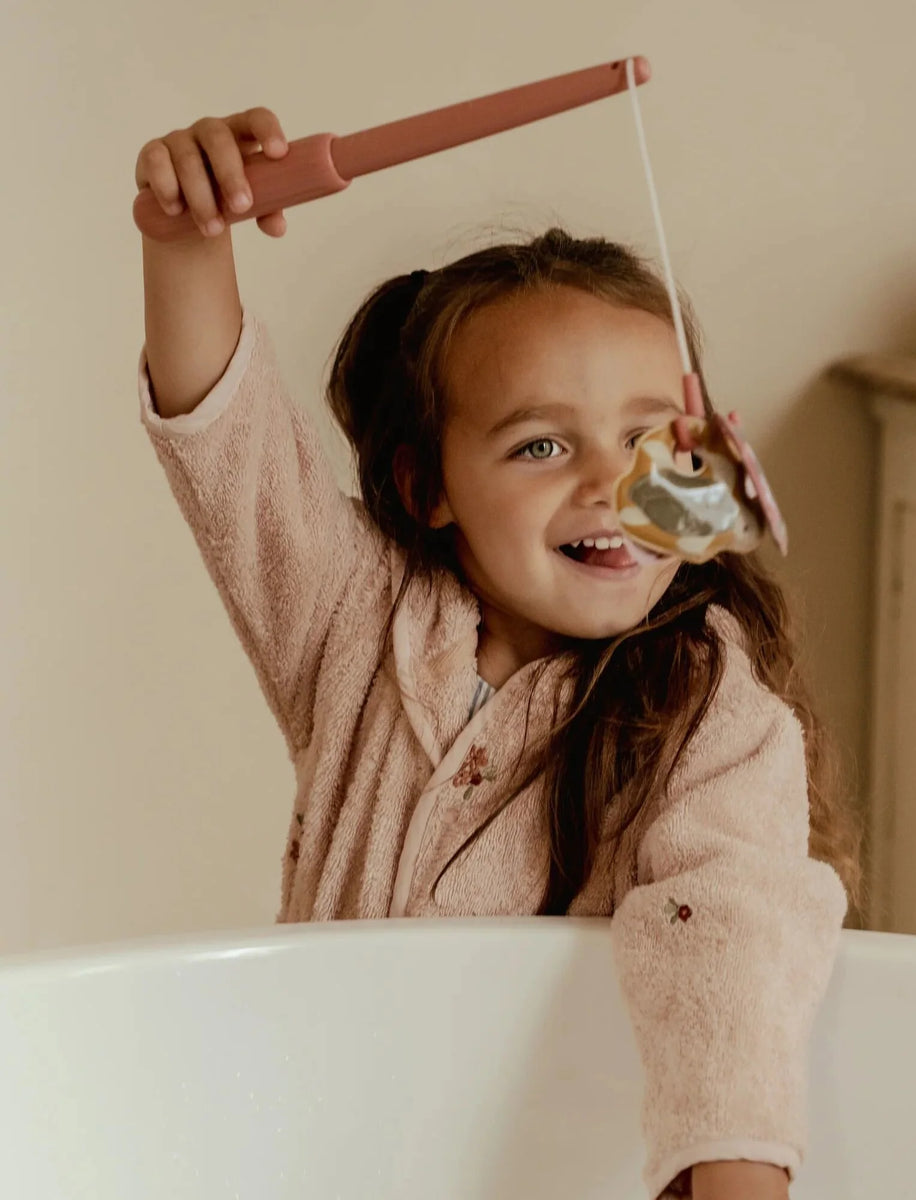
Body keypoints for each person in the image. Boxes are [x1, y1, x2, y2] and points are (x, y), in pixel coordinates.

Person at [134, 105, 864, 1200]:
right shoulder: (353, 626)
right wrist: (186, 238)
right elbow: (229, 452)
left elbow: (732, 948)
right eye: (540, 443)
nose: (608, 485)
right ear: (428, 485)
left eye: (648, 439)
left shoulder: (715, 713)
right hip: (323, 1153)